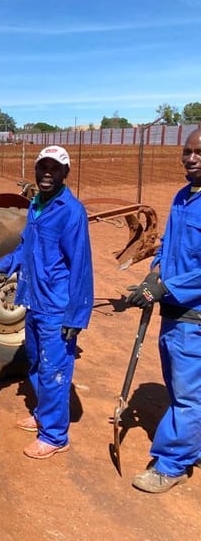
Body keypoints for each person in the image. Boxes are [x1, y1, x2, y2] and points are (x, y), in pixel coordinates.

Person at [0, 145, 93, 460]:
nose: (47, 173)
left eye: (54, 169)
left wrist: (76, 316)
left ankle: (54, 435)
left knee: (54, 369)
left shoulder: (71, 211)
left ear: (65, 173)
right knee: (35, 362)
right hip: (33, 300)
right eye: (42, 167)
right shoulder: (37, 204)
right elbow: (25, 248)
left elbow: (81, 267)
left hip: (57, 308)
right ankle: (42, 413)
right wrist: (5, 264)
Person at [124, 128, 201, 492]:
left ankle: (171, 464)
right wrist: (154, 272)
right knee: (182, 387)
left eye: (198, 151)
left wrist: (168, 286)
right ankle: (194, 444)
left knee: (187, 394)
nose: (191, 158)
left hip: (194, 316)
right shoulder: (183, 197)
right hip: (172, 312)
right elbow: (169, 244)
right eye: (187, 151)